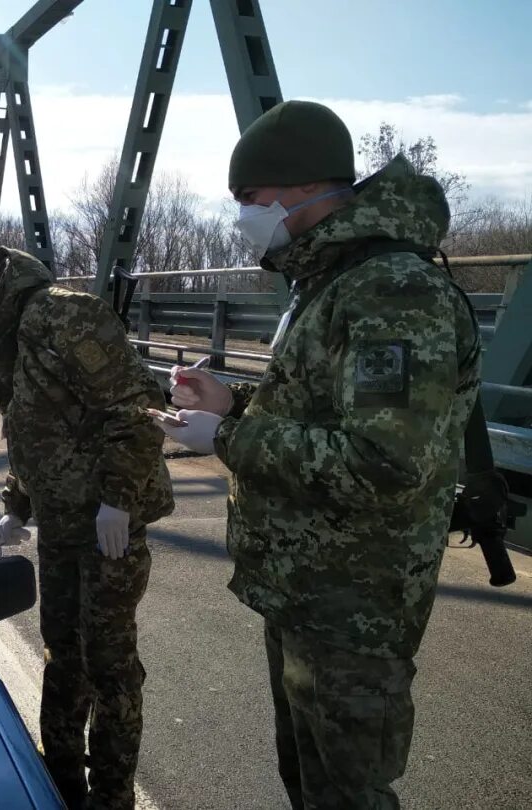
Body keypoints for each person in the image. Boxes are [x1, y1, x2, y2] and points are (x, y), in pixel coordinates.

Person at [150, 100, 481, 809]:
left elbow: (384, 463)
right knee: (308, 778)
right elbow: (322, 408)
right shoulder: (328, 278)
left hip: (356, 597)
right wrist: (231, 405)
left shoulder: (390, 287)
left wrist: (230, 441)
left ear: (300, 187)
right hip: (309, 583)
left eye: (248, 197)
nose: (242, 213)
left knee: (348, 791)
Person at [0, 245, 175, 809]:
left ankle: (111, 798)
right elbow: (30, 438)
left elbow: (138, 406)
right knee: (64, 658)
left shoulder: (61, 315)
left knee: (110, 670)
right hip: (61, 524)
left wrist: (119, 502)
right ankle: (59, 786)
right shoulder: (0, 344)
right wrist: (16, 508)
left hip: (109, 528)